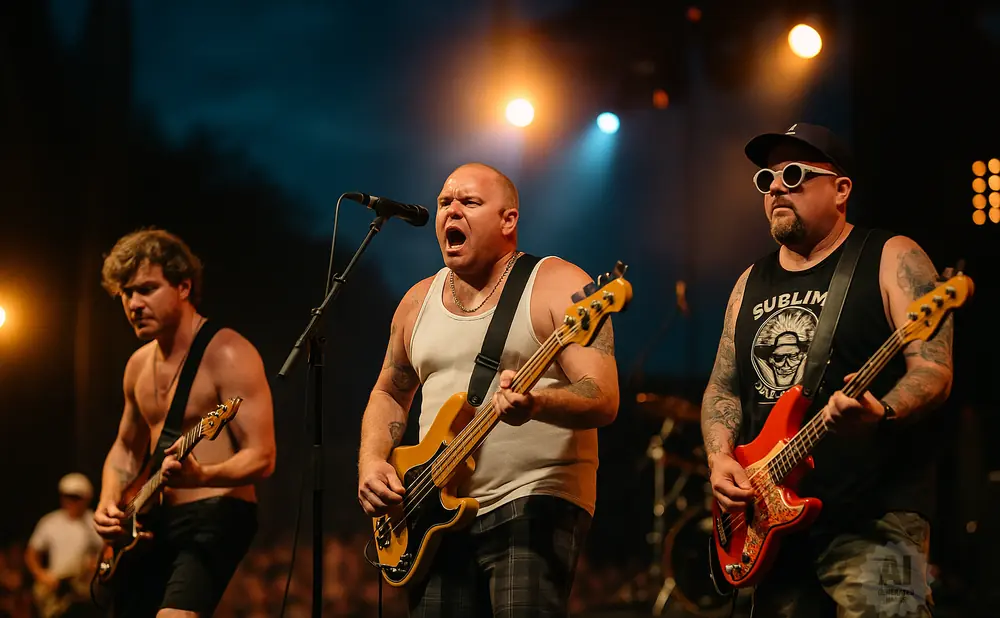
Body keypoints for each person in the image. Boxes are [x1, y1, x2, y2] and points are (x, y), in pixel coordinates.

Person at [700, 123, 953, 617]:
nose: (775, 187)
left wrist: (883, 412)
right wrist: (719, 459)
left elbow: (933, 368)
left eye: (793, 174)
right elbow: (722, 389)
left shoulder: (890, 256)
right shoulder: (749, 281)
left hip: (872, 516)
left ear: (841, 190)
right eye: (766, 179)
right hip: (769, 521)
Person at [357, 162, 620, 617]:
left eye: (469, 202)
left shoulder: (558, 284)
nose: (451, 211)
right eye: (444, 203)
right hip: (430, 511)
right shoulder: (417, 301)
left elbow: (602, 395)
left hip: (534, 498)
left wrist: (538, 402)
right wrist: (372, 461)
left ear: (508, 220)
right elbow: (389, 393)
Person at [92, 228, 276, 617]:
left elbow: (263, 456)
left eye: (146, 289)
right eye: (126, 294)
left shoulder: (228, 353)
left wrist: (202, 475)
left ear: (183, 287)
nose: (134, 304)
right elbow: (126, 447)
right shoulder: (137, 366)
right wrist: (109, 498)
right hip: (151, 522)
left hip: (217, 513)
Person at [25, 473, 103, 618]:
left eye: (76, 497)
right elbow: (32, 553)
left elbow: (106, 551)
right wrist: (42, 575)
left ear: (87, 498)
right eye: (67, 496)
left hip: (84, 592)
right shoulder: (50, 522)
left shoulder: (95, 522)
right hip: (56, 586)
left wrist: (97, 564)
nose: (71, 502)